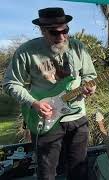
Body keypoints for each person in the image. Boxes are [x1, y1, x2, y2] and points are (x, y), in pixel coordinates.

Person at [2, 7, 97, 180]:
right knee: (47, 174)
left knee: (80, 171)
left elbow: (90, 75)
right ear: (42, 30)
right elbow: (10, 83)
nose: (61, 37)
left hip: (77, 117)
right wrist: (34, 103)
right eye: (54, 32)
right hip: (45, 118)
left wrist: (89, 86)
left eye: (65, 31)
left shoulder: (78, 48)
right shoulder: (27, 51)